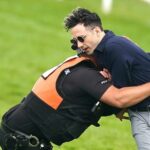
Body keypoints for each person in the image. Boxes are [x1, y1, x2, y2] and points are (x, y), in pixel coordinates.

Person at [0, 54, 150, 150]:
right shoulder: (85, 76)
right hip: (20, 137)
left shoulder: (82, 66)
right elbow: (119, 99)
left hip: (20, 128)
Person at [64, 7, 150, 150]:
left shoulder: (114, 47)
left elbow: (119, 95)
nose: (79, 45)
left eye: (81, 38)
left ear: (97, 31)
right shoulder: (104, 49)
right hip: (138, 112)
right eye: (75, 41)